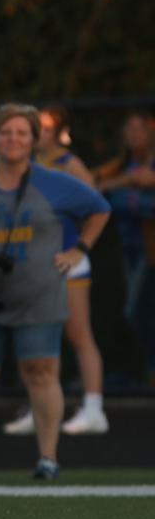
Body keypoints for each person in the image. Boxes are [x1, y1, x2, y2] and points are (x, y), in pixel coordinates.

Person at [0, 103, 110, 481]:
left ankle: (48, 458)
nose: (13, 139)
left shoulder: (54, 182)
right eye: (5, 132)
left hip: (39, 295)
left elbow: (99, 208)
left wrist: (77, 251)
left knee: (42, 372)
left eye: (21, 133)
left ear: (34, 140)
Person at [4, 106, 107, 435]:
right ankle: (40, 409)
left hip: (67, 261)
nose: (41, 133)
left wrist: (78, 248)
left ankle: (93, 409)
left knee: (78, 334)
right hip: (33, 263)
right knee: (34, 338)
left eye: (47, 128)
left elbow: (95, 204)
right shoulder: (22, 166)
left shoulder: (67, 163)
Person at [96, 111, 155, 389]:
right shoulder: (122, 165)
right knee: (139, 312)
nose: (134, 134)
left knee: (136, 310)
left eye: (139, 128)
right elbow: (94, 183)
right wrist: (127, 181)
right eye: (128, 128)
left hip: (150, 249)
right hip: (131, 247)